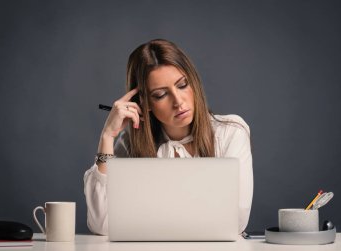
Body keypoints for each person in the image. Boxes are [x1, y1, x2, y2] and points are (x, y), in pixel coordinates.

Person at [84, 39, 253, 235]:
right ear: (144, 103)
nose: (178, 101)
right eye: (161, 94)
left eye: (182, 85)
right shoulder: (130, 144)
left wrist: (145, 220)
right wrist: (107, 136)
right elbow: (101, 224)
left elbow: (236, 221)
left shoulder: (231, 133)